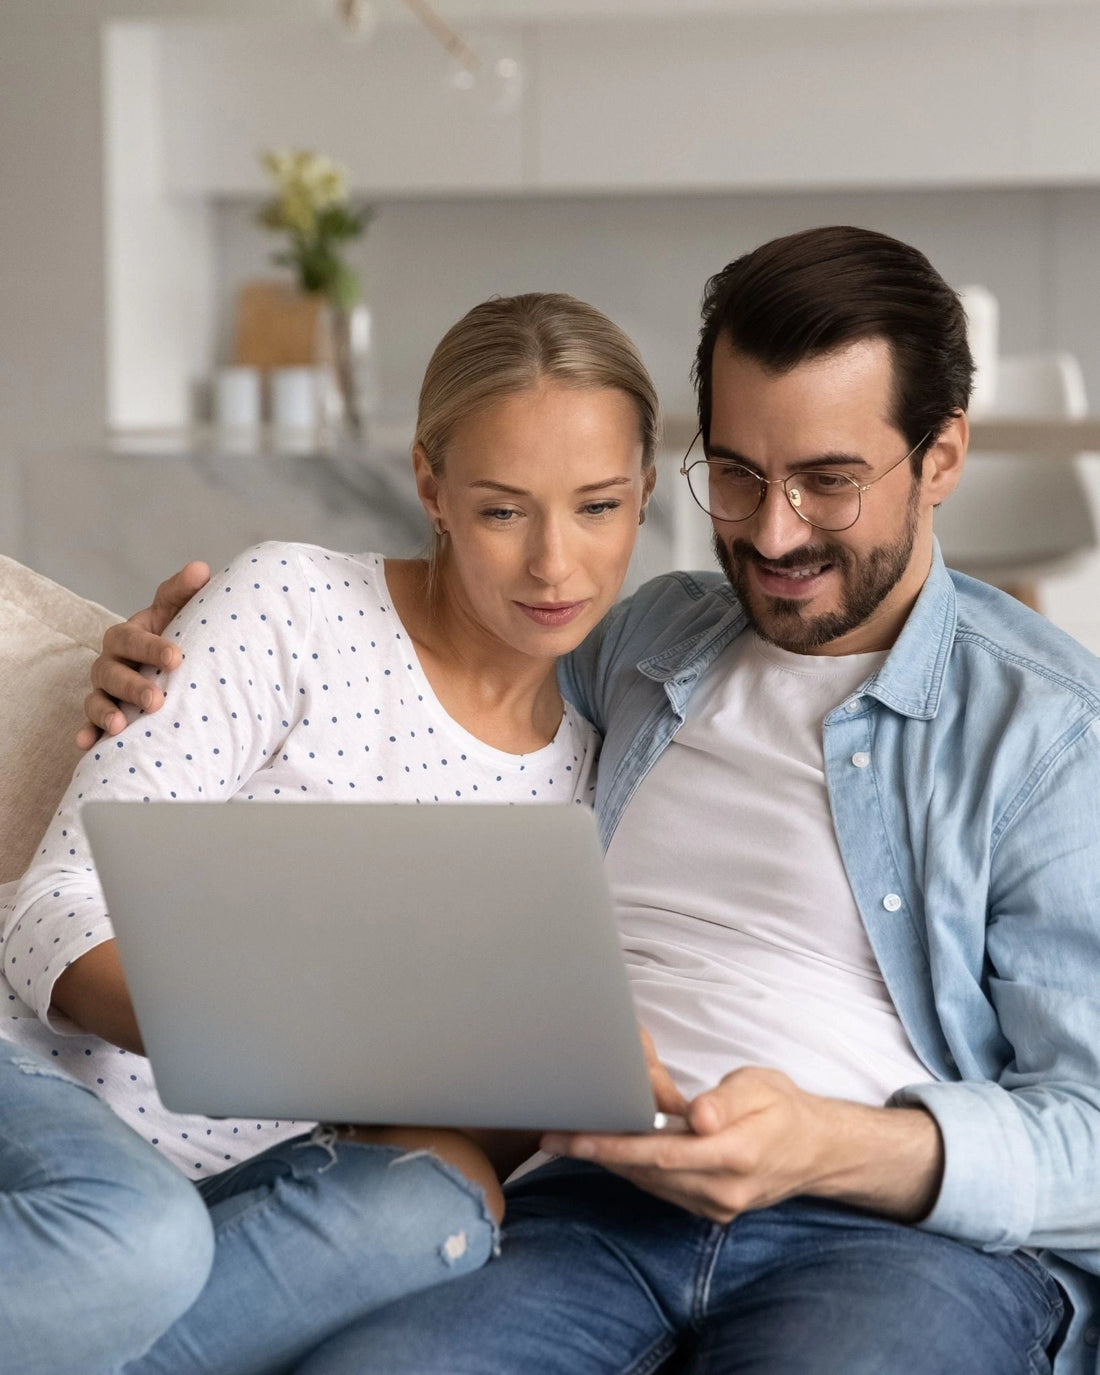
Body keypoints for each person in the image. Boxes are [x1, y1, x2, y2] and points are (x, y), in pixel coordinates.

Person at [96, 227, 1100, 1375]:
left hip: (883, 1243)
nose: (772, 532)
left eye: (828, 482)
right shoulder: (643, 638)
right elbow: (432, 651)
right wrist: (153, 661)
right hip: (579, 1210)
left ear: (939, 456)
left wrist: (830, 1144)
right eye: (736, 474)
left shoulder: (1047, 734)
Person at [1, 291, 659, 1374]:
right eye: (503, 511)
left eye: (597, 506)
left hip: (249, 1190)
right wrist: (279, 1037)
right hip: (44, 1097)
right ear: (430, 487)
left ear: (644, 493)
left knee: (440, 1211)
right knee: (140, 1239)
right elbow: (49, 914)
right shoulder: (292, 606)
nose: (555, 563)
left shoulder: (598, 779)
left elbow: (479, 1121)